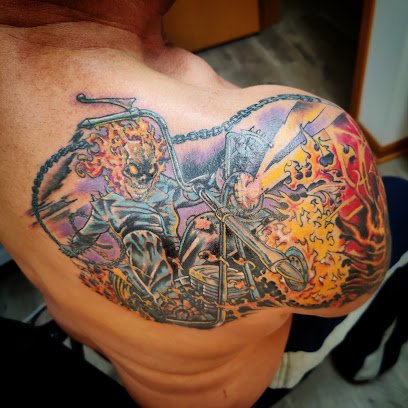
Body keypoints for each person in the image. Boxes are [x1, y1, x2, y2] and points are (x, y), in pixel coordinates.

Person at [0, 1, 391, 407]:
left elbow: (177, 193)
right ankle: (366, 360)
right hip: (215, 395)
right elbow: (351, 290)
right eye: (137, 168)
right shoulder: (134, 215)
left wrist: (225, 193)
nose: (147, 174)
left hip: (114, 350)